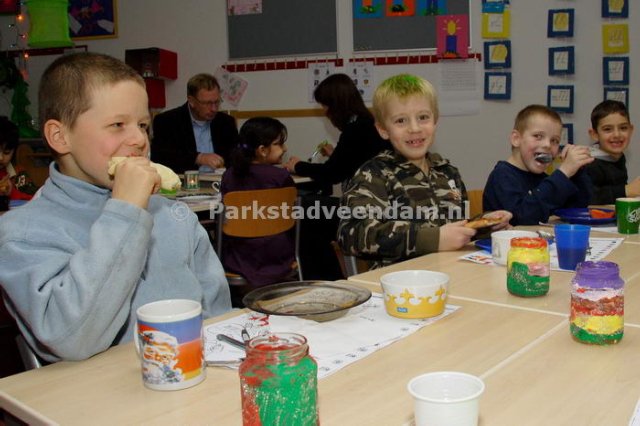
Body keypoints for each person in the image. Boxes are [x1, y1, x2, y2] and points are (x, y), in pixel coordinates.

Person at [0, 52, 231, 363]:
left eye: (143, 125)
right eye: (118, 124)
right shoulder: (22, 234)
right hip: (95, 390)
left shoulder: (175, 216)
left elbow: (218, 317)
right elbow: (73, 339)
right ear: (60, 136)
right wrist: (126, 210)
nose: (139, 139)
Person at [338, 74, 511, 265]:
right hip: (399, 278)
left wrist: (486, 224)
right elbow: (351, 235)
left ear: (435, 121)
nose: (414, 128)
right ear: (383, 130)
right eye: (401, 120)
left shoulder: (447, 172)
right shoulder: (374, 174)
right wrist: (432, 239)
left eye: (423, 117)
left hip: (451, 271)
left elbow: (454, 228)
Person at [220, 117, 295, 304]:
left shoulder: (229, 175)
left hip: (239, 257)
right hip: (278, 255)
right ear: (262, 150)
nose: (284, 148)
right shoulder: (280, 176)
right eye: (279, 144)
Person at [483, 104, 594, 225]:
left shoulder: (543, 179)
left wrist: (577, 171)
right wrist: (563, 174)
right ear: (516, 139)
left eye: (554, 140)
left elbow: (575, 208)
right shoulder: (502, 175)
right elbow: (522, 217)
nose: (547, 144)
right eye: (538, 136)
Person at [284, 73, 390, 193]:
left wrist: (297, 165)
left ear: (335, 105)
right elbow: (354, 162)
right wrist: (334, 154)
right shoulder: (366, 122)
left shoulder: (356, 129)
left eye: (324, 106)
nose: (324, 112)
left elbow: (333, 173)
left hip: (370, 198)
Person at [151, 73, 239, 173]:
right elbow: (160, 157)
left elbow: (236, 156)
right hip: (184, 181)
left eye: (217, 102)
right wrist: (197, 158)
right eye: (207, 103)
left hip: (220, 180)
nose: (214, 108)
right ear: (191, 101)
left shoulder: (226, 122)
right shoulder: (167, 121)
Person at [585, 100, 639, 204]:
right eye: (607, 129)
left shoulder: (619, 157)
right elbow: (589, 197)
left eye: (623, 128)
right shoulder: (589, 163)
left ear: (631, 130)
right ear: (594, 134)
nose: (617, 135)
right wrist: (626, 190)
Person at [0, 116, 38, 201]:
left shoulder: (17, 172)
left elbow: (33, 197)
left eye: (7, 152)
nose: (1, 158)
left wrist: (10, 194)